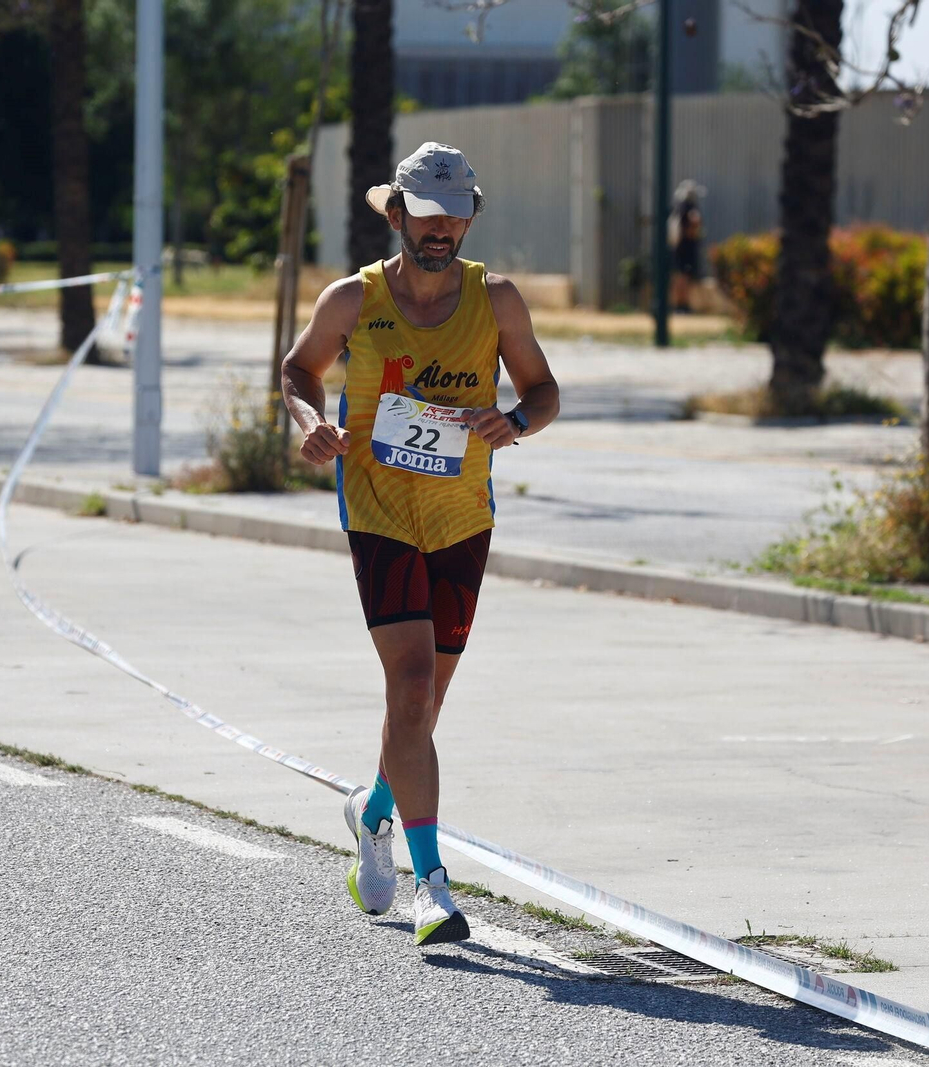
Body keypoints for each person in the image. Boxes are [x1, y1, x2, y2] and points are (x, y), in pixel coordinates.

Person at [281, 142, 560, 947]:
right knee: (409, 685)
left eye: (455, 215)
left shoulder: (497, 300)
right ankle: (432, 886)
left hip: (462, 515)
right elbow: (300, 370)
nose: (441, 230)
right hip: (376, 507)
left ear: (470, 217)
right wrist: (313, 425)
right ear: (398, 213)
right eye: (427, 215)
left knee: (423, 704)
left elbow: (543, 390)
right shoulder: (352, 299)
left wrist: (511, 422)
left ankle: (372, 812)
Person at [669, 179, 705, 312]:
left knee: (679, 275)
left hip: (678, 247)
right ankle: (683, 304)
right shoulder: (690, 208)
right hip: (686, 247)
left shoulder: (679, 207)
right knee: (684, 276)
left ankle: (678, 304)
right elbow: (695, 222)